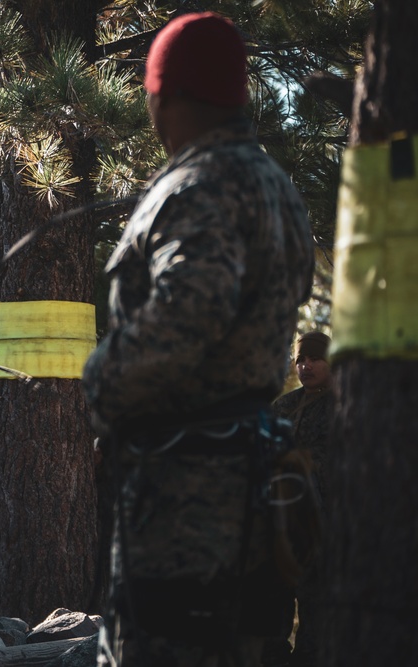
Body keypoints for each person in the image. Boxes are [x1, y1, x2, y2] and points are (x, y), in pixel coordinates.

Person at [81, 12, 314, 667]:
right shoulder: (276, 186)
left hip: (187, 489)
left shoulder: (199, 182)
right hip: (254, 480)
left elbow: (193, 306)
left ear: (170, 95)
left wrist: (101, 379)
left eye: (153, 96)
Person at [271, 332, 333, 667]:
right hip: (278, 522)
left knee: (316, 603)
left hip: (321, 523)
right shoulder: (283, 406)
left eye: (314, 359)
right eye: (300, 360)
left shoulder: (345, 405)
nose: (305, 366)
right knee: (273, 597)